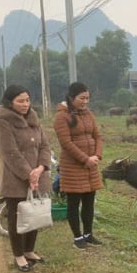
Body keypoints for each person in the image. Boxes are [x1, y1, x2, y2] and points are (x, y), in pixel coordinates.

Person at [0, 85, 52, 272]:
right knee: (17, 216)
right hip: (15, 178)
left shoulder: (34, 119)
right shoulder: (3, 122)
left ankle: (29, 250)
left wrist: (41, 168)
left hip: (37, 174)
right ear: (10, 102)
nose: (25, 104)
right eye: (20, 101)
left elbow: (45, 146)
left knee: (34, 213)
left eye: (27, 100)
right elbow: (10, 153)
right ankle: (18, 255)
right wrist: (29, 174)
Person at [53, 82, 103, 249]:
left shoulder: (88, 114)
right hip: (73, 166)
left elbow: (97, 136)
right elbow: (66, 143)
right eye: (82, 98)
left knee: (89, 201)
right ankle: (77, 237)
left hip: (91, 166)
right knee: (74, 203)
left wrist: (97, 155)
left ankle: (88, 234)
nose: (85, 101)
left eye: (87, 98)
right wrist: (85, 159)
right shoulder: (62, 116)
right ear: (72, 97)